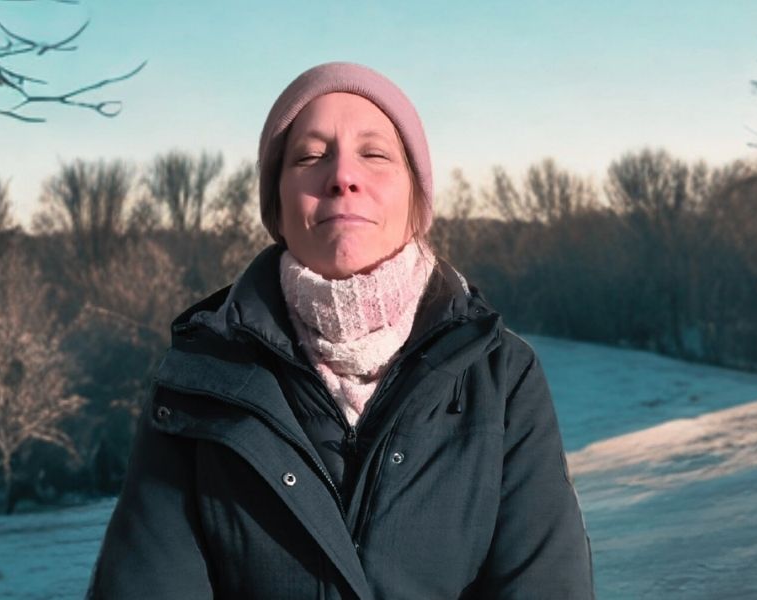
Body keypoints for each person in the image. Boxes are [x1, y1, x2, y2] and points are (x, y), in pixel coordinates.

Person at [86, 62, 595, 599]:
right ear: (277, 207)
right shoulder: (198, 382)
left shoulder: (502, 377)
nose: (342, 176)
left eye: (374, 154)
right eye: (309, 156)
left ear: (418, 203)